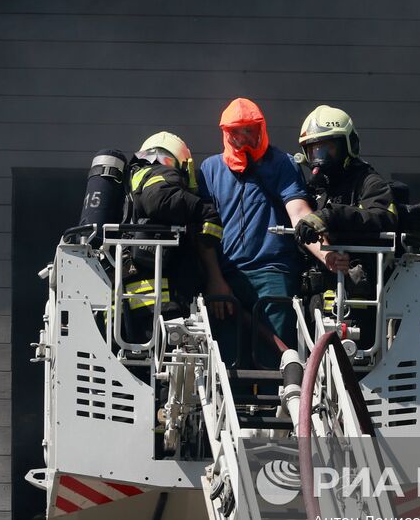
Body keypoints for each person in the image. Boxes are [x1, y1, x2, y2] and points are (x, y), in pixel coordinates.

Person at [199, 98, 341, 366]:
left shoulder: (282, 164)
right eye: (236, 132)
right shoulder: (210, 170)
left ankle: (283, 406)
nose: (243, 138)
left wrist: (327, 255)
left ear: (261, 129)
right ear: (225, 133)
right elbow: (205, 233)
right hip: (227, 278)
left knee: (276, 363)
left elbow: (299, 214)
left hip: (273, 274)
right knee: (228, 364)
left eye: (249, 130)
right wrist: (214, 279)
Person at [291, 106, 398, 322]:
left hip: (360, 302)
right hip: (316, 300)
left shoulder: (369, 182)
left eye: (327, 148)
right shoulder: (315, 190)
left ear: (349, 145)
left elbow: (384, 217)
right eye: (313, 151)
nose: (319, 157)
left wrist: (332, 216)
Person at [121, 132, 228, 333]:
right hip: (160, 305)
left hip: (132, 305)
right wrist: (205, 212)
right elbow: (160, 199)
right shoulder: (160, 173)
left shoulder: (131, 183)